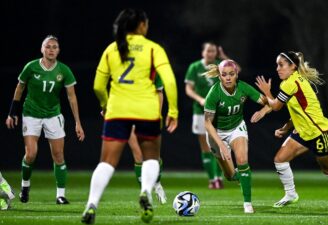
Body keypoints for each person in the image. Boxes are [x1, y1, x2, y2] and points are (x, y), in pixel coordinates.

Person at [81, 8, 178, 224]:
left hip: (117, 110)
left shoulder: (111, 49)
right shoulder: (153, 49)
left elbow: (97, 86)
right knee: (151, 157)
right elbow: (169, 82)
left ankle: (91, 204)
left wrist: (106, 104)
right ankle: (146, 192)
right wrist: (173, 111)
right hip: (147, 110)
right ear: (142, 25)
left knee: (106, 162)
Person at [255, 51, 328, 213]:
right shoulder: (293, 81)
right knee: (280, 159)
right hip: (302, 132)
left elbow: (276, 106)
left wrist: (266, 91)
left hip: (319, 132)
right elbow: (298, 112)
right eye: (277, 65)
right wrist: (285, 129)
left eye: (281, 65)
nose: (278, 68)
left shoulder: (289, 83)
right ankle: (291, 194)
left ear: (292, 66)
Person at [5, 35, 85, 205]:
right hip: (31, 114)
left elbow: (72, 97)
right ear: (42, 49)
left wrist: (78, 122)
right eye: (48, 46)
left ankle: (60, 195)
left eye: (55, 47)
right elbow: (20, 88)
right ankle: (25, 185)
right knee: (31, 154)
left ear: (58, 50)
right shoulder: (31, 67)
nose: (51, 50)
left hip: (53, 115)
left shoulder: (64, 70)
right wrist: (12, 112)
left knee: (58, 155)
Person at [203, 59, 272, 213]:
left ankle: (247, 203)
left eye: (231, 74)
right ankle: (241, 178)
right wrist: (222, 145)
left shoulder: (243, 88)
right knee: (230, 176)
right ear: (219, 76)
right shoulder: (214, 93)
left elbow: (271, 103)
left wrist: (262, 111)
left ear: (236, 75)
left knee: (242, 160)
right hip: (216, 133)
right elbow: (207, 124)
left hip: (236, 128)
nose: (228, 78)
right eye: (224, 75)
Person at [185, 42, 229, 189]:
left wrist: (224, 57)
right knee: (206, 147)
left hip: (218, 111)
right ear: (203, 52)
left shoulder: (220, 65)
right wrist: (200, 99)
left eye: (214, 51)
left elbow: (237, 71)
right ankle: (212, 179)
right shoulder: (195, 67)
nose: (211, 53)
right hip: (200, 112)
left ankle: (218, 178)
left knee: (218, 145)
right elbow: (188, 89)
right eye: (208, 51)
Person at [128, 75, 166, 204]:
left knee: (154, 157)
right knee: (138, 156)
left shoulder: (153, 69)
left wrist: (158, 114)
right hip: (128, 113)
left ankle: (158, 184)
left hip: (149, 115)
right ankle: (145, 193)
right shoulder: (124, 67)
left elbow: (160, 93)